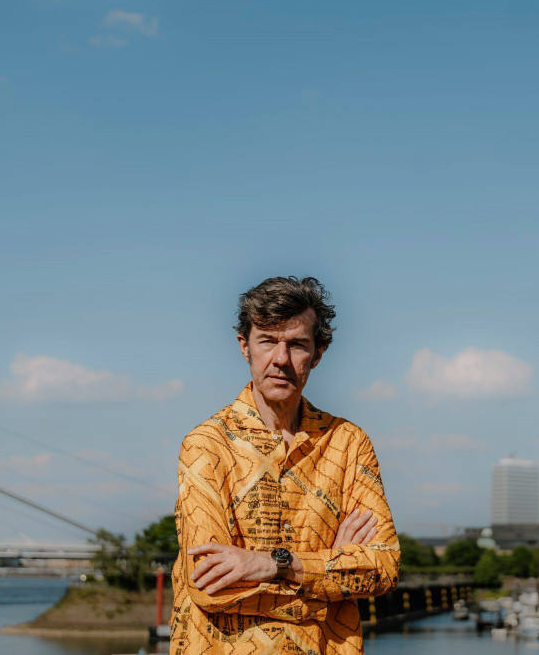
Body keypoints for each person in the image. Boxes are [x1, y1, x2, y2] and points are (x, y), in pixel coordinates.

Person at [171, 276, 400, 654]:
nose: (280, 359)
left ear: (318, 353)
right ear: (244, 346)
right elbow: (208, 587)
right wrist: (329, 577)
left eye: (296, 345)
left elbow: (384, 567)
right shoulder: (207, 445)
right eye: (267, 342)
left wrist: (273, 565)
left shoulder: (348, 443)